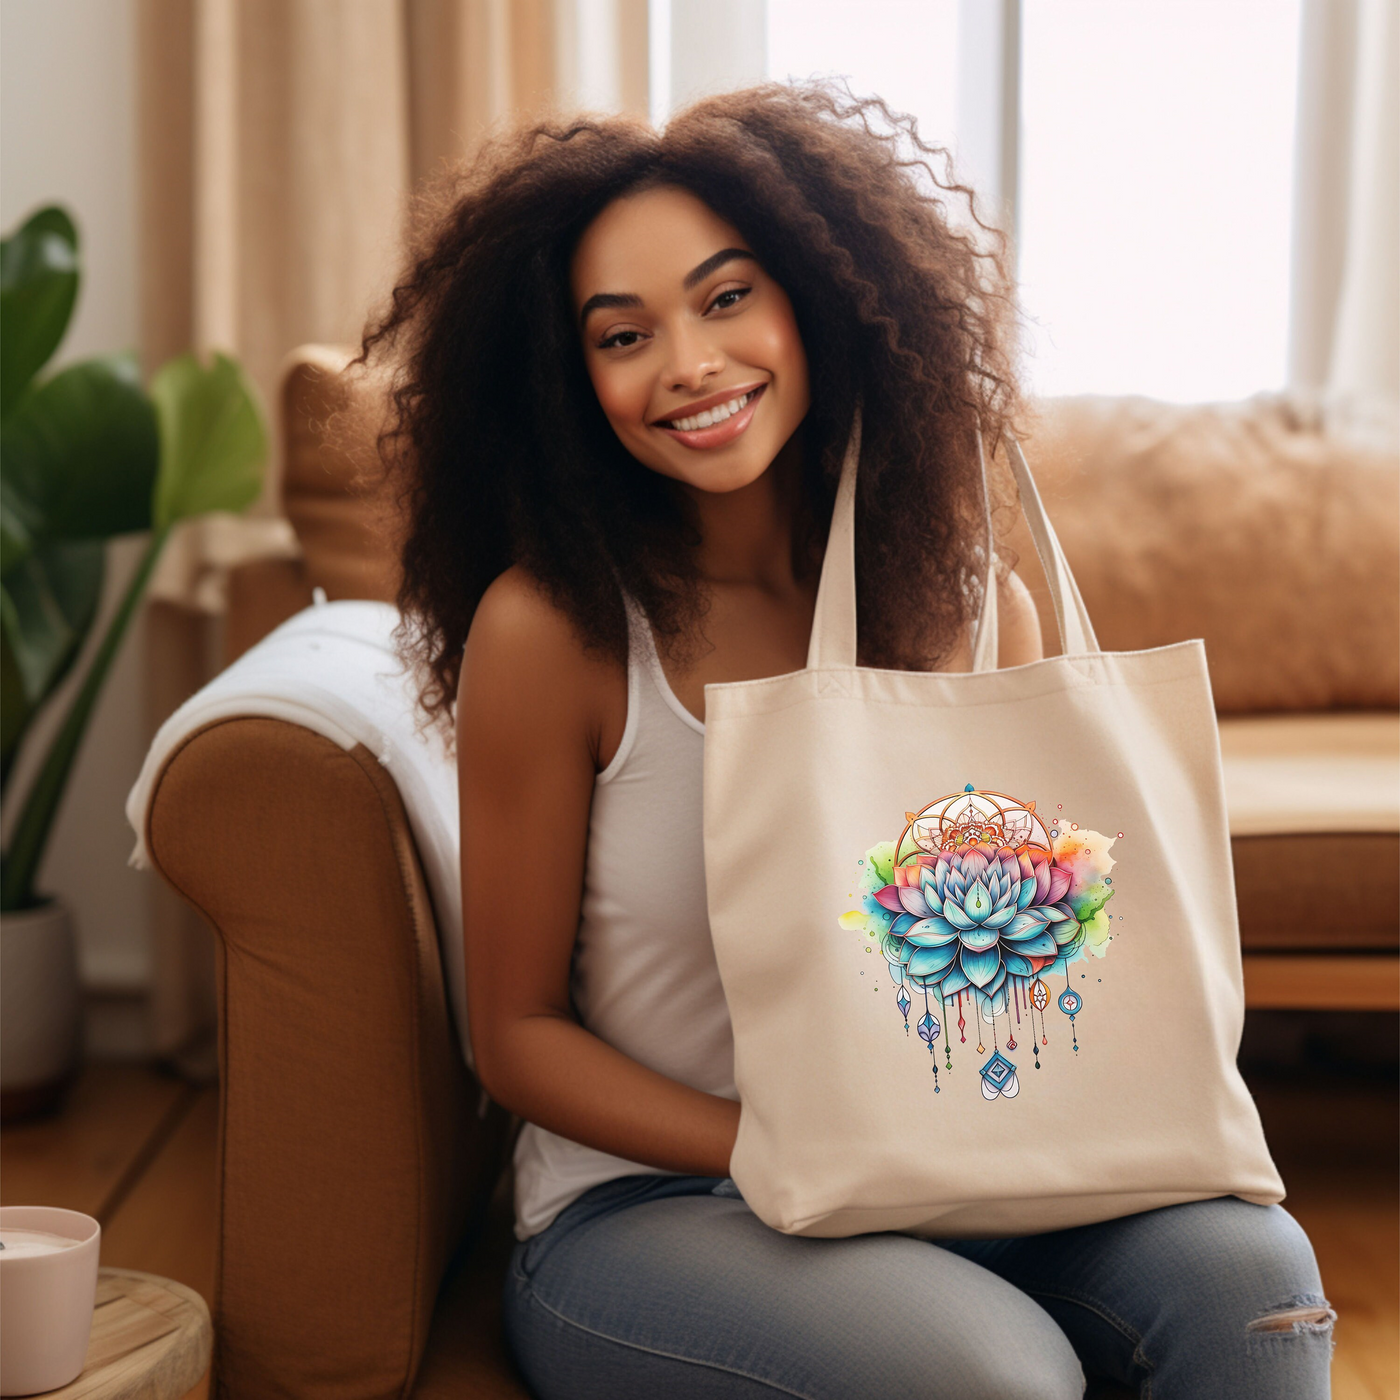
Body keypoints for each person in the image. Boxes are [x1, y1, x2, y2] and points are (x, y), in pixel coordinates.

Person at [359, 83, 1332, 1400]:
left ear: (821, 297)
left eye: (725, 298)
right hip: (664, 1206)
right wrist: (789, 1139)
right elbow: (517, 1036)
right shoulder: (556, 633)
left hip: (980, 1166)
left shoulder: (974, 598)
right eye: (622, 334)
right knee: (995, 1379)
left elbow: (1038, 950)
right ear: (566, 379)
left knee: (1252, 1286)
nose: (689, 364)